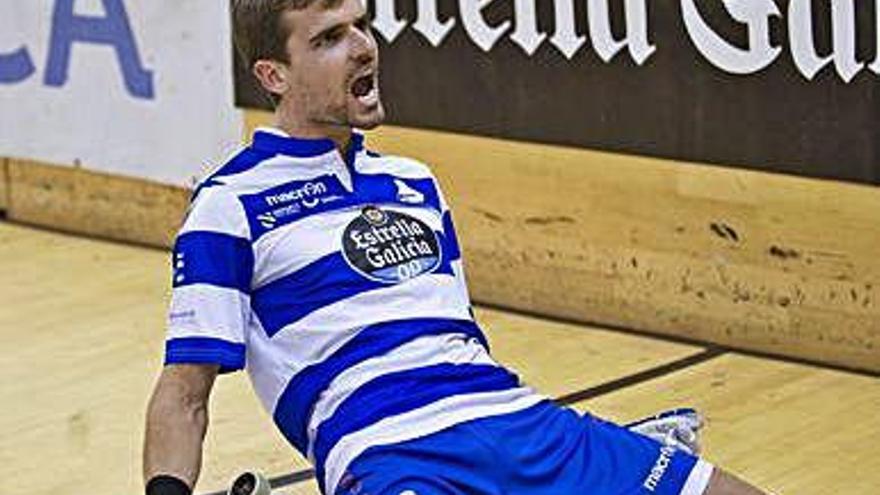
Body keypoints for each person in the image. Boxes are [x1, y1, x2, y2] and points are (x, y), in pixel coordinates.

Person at [142, 1, 768, 494]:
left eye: (361, 25)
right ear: (273, 75)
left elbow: (459, 340)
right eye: (329, 39)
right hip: (389, 455)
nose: (363, 46)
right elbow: (184, 393)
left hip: (523, 424)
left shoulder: (415, 181)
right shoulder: (229, 204)